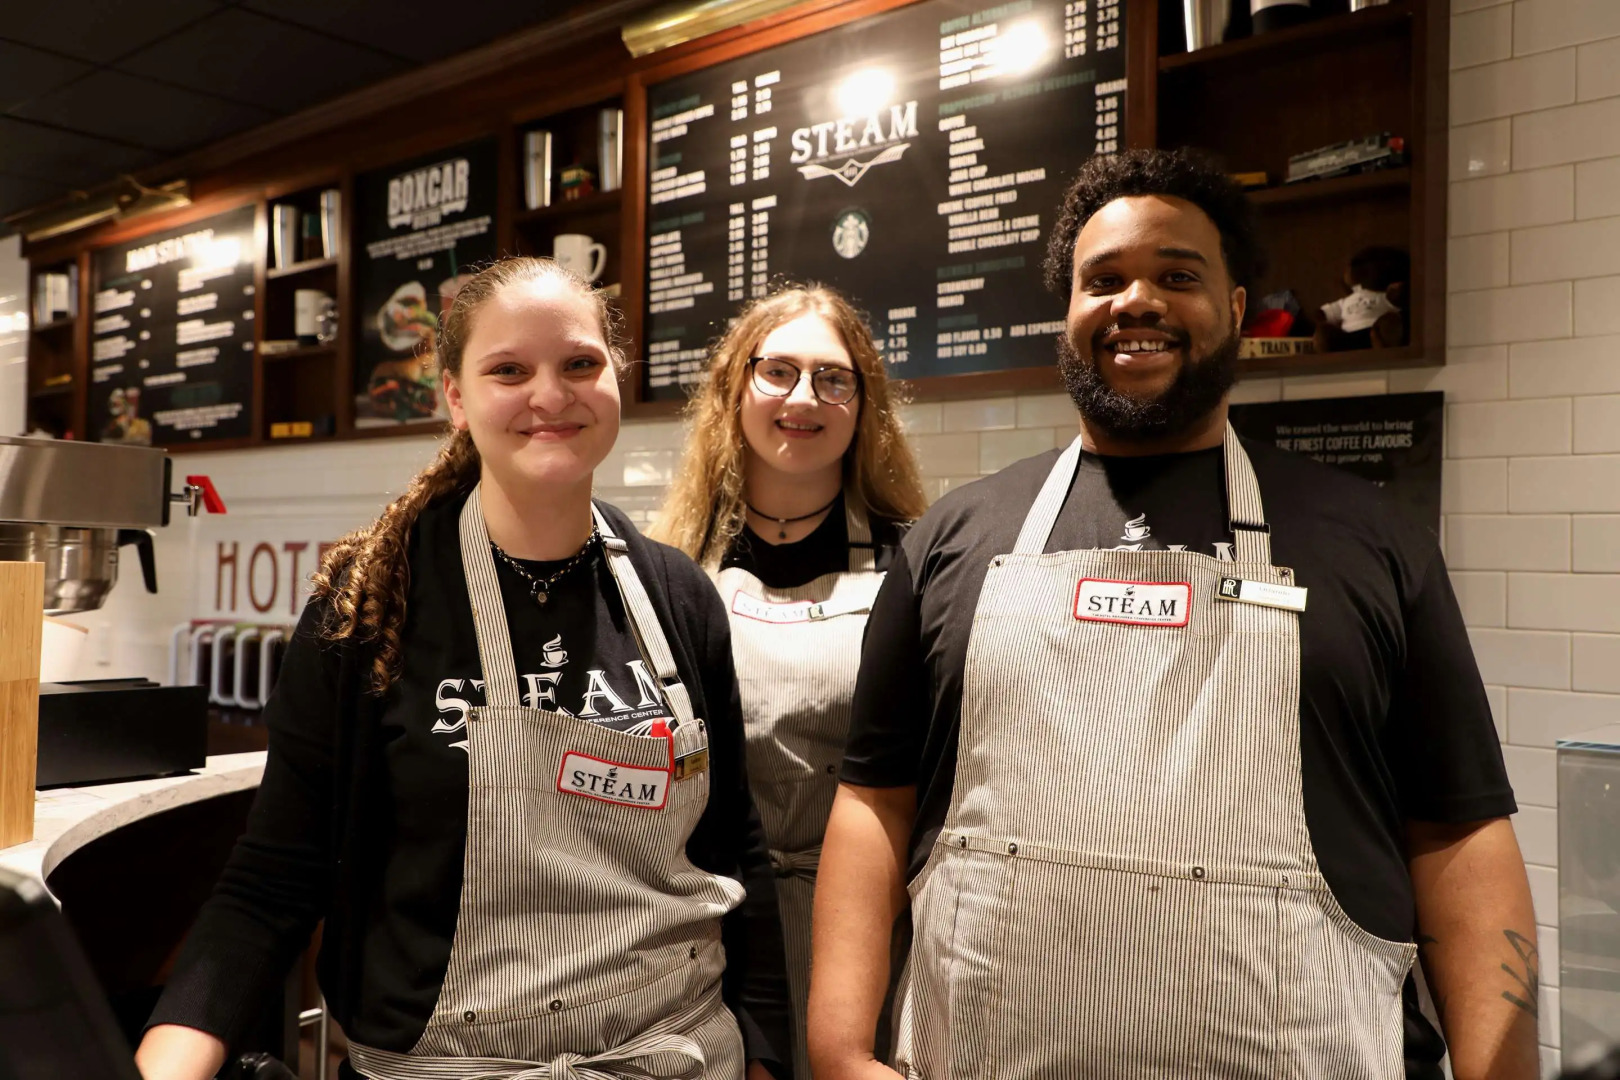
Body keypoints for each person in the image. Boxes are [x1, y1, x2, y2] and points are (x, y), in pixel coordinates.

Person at [808, 149, 1539, 1080]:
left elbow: (1459, 831)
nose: (1136, 301)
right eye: (1102, 279)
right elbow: (875, 797)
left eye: (1177, 276)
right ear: (1068, 315)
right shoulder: (955, 538)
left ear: (1235, 309)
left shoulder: (1374, 542)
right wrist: (836, 1051)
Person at [135, 257, 789, 1080]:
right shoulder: (369, 605)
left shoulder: (677, 597)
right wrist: (168, 1063)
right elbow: (273, 879)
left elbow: (735, 848)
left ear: (616, 375)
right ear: (454, 395)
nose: (551, 395)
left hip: (677, 1057)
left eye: (580, 364)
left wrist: (767, 1059)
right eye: (509, 370)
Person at [654, 285, 927, 1079]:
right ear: (733, 391)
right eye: (777, 372)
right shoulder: (667, 570)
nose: (804, 398)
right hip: (702, 931)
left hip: (865, 932)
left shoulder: (917, 562)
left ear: (862, 404)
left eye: (833, 378)